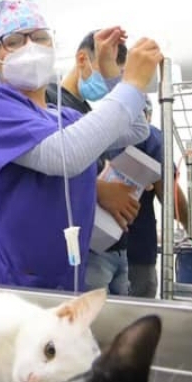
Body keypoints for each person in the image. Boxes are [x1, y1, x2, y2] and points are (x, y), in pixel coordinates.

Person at [0, 0, 162, 292]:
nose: (30, 48)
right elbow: (64, 155)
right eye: (14, 41)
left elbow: (137, 130)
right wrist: (132, 85)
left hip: (56, 284)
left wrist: (111, 71)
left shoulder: (63, 116)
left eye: (39, 38)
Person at [48, 32, 143, 295]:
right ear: (82, 60)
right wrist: (100, 190)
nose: (112, 79)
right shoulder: (51, 99)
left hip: (104, 241)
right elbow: (53, 166)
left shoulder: (87, 110)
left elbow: (139, 129)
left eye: (118, 74)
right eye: (107, 70)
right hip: (77, 248)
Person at [126, 97, 190, 297]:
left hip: (98, 247)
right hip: (137, 249)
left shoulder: (101, 134)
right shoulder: (150, 136)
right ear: (147, 115)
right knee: (138, 310)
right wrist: (191, 227)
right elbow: (170, 198)